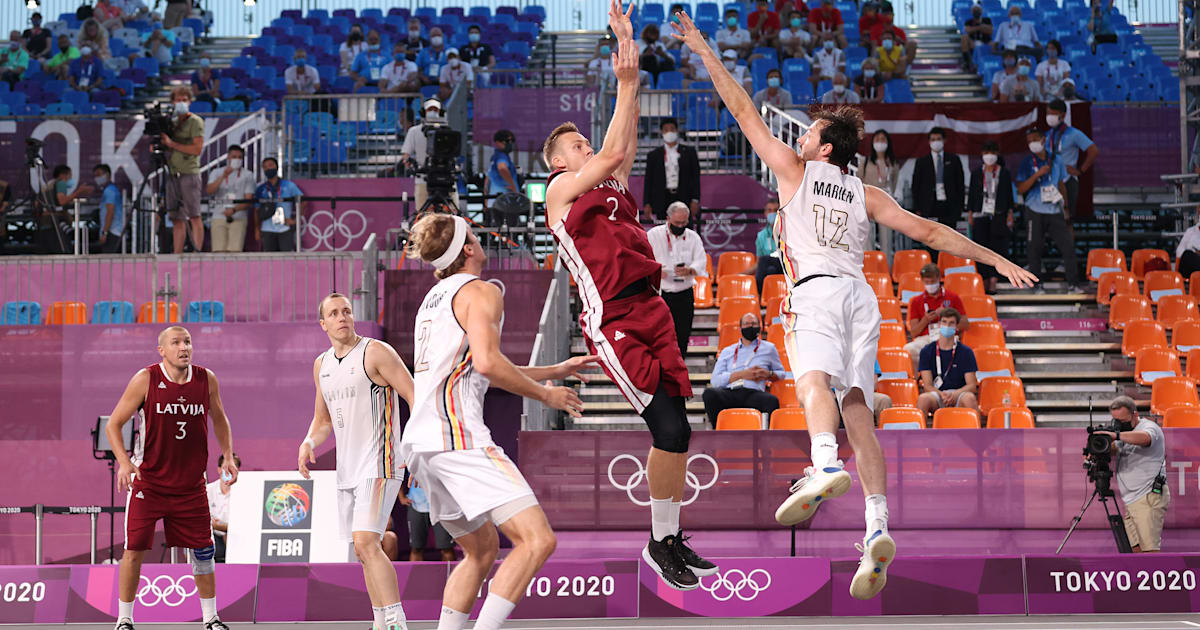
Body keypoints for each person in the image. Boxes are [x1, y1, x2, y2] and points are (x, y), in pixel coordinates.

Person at [671, 8, 1037, 600]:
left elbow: (741, 107)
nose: (800, 135)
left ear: (822, 146)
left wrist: (704, 49)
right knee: (859, 410)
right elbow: (932, 233)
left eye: (809, 130)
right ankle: (877, 526)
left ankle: (822, 462)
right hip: (864, 299)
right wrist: (994, 259)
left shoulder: (793, 170)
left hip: (814, 289)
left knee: (811, 382)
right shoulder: (866, 192)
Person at [544, 4, 717, 592]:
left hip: (653, 305)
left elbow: (622, 139)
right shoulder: (561, 191)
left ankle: (666, 539)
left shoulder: (608, 177)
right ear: (559, 162)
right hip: (613, 316)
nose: (585, 144)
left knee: (680, 431)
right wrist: (623, 81)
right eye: (575, 143)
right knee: (666, 426)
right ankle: (654, 543)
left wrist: (631, 69)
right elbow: (614, 151)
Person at [403, 212, 595, 630]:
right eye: (474, 235)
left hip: (422, 443)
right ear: (468, 249)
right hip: (457, 436)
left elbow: (470, 367)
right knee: (538, 540)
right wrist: (547, 395)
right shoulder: (482, 291)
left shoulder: (434, 298)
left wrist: (551, 370)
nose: (480, 239)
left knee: (481, 550)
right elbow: (488, 364)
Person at [105, 325, 239, 630]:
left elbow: (219, 417)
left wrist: (228, 454)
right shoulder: (146, 379)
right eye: (176, 343)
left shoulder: (207, 379)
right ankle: (124, 619)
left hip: (191, 487)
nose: (184, 348)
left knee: (204, 552)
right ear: (162, 350)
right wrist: (124, 462)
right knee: (134, 550)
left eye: (188, 342)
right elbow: (114, 424)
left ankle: (211, 618)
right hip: (149, 484)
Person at [297, 293, 415, 630]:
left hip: (381, 461)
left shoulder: (376, 352)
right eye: (333, 313)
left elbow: (414, 395)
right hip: (348, 469)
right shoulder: (322, 364)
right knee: (363, 550)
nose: (342, 317)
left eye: (346, 311)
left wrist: (417, 450)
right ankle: (381, 621)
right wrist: (308, 442)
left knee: (366, 542)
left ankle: (395, 621)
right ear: (323, 324)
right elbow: (322, 421)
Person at [1100, 396, 1169, 553]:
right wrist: (1098, 444)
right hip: (1131, 500)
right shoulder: (1123, 432)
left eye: (1123, 420)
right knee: (1135, 549)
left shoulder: (1149, 427)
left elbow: (1146, 439)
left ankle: (1153, 578)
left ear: (1135, 414)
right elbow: (1113, 450)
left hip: (1148, 496)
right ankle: (1139, 578)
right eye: (1116, 420)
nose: (1120, 424)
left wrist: (1116, 435)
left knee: (1149, 550)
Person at [1019, 127, 1080, 293]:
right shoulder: (1026, 162)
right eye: (1029, 141)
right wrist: (1037, 174)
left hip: (1055, 210)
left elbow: (1061, 184)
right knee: (1034, 248)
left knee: (1068, 246)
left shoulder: (1057, 160)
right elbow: (1021, 189)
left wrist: (1066, 208)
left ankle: (1073, 284)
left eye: (1035, 140)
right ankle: (1036, 285)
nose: (1032, 143)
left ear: (1043, 140)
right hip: (1034, 210)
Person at [702, 312, 786, 428]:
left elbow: (781, 373)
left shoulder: (769, 348)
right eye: (747, 324)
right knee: (709, 394)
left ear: (760, 326)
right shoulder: (728, 351)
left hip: (753, 393)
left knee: (771, 401)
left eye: (754, 323)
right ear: (741, 327)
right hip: (730, 392)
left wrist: (768, 374)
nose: (751, 326)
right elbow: (715, 381)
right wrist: (742, 374)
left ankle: (767, 438)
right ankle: (719, 430)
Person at [647, 202, 708, 358]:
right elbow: (643, 259)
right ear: (668, 218)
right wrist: (655, 269)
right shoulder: (654, 235)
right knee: (660, 335)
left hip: (684, 293)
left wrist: (690, 269)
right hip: (661, 293)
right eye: (677, 223)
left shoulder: (693, 237)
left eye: (684, 223)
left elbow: (701, 261)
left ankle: (679, 369)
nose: (680, 226)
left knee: (682, 335)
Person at [967, 141, 1015, 293]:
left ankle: (994, 280)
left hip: (998, 215)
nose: (990, 156)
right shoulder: (976, 173)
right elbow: (972, 194)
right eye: (987, 153)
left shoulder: (1004, 172)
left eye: (992, 153)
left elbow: (1009, 195)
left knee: (998, 248)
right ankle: (984, 280)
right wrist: (970, 213)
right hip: (980, 215)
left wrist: (1010, 213)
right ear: (982, 154)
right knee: (981, 249)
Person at [162, 86, 205, 254]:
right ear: (172, 102)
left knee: (194, 215)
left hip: (189, 173)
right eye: (177, 100)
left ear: (190, 101)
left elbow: (197, 149)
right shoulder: (171, 123)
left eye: (184, 100)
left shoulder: (195, 121)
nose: (180, 103)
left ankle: (197, 252)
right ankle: (177, 254)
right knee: (176, 218)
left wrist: (172, 144)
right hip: (173, 173)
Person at [916, 308, 979, 419]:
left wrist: (955, 394)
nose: (947, 325)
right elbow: (927, 385)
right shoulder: (927, 351)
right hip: (938, 394)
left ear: (957, 327)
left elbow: (971, 385)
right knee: (923, 399)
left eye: (951, 323)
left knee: (970, 398)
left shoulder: (966, 352)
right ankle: (920, 435)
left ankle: (977, 435)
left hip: (959, 393)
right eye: (944, 322)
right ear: (939, 324)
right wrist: (941, 394)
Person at [904, 263, 968, 373]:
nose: (930, 285)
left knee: (953, 349)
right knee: (908, 349)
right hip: (925, 338)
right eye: (927, 282)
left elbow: (965, 324)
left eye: (932, 282)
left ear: (939, 279)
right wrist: (926, 319)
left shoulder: (953, 297)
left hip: (948, 335)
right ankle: (916, 383)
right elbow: (913, 333)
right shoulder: (916, 301)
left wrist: (947, 315)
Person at [399, 99, 460, 211]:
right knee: (423, 218)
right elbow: (406, 155)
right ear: (424, 112)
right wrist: (410, 164)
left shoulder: (448, 131)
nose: (433, 111)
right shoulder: (414, 131)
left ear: (440, 112)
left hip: (447, 179)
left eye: (435, 109)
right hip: (424, 180)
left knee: (453, 216)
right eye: (430, 109)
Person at [1045, 99, 1098, 218]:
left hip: (1067, 180)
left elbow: (1094, 151)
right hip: (1050, 180)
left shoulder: (1073, 133)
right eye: (1048, 114)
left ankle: (1068, 236)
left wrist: (1080, 170)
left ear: (1063, 115)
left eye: (1053, 114)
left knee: (1066, 219)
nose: (1049, 117)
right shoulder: (1048, 134)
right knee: (1049, 219)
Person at [643, 118, 701, 221]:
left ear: (677, 131)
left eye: (672, 129)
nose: (669, 132)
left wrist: (695, 200)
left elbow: (695, 178)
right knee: (663, 231)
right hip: (662, 198)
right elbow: (648, 181)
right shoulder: (653, 155)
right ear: (662, 132)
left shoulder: (689, 153)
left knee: (684, 227)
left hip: (684, 197)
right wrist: (647, 203)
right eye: (666, 130)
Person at [205, 144, 255, 253]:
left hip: (238, 217)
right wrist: (223, 176)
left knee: (235, 253)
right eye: (234, 157)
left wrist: (234, 210)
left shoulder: (248, 174)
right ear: (228, 158)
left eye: (239, 157)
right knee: (218, 251)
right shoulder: (216, 172)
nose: (237, 159)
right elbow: (209, 191)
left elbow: (249, 199)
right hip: (219, 215)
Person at [912, 127, 965, 228]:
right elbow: (916, 186)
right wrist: (917, 208)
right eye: (933, 139)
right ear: (929, 142)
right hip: (929, 206)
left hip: (949, 206)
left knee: (949, 237)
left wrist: (959, 207)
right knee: (931, 238)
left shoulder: (954, 160)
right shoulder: (922, 162)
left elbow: (960, 185)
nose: (936, 142)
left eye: (938, 139)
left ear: (944, 140)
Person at [397, 475, 456, 562]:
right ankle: (416, 576)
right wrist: (401, 496)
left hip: (441, 505)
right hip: (416, 503)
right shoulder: (410, 460)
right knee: (416, 548)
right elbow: (397, 472)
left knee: (447, 548)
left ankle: (452, 576)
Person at [858, 130, 898, 252]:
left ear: (888, 143)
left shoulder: (893, 163)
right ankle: (870, 268)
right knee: (867, 239)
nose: (880, 142)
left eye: (883, 139)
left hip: (886, 204)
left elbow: (894, 183)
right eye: (877, 139)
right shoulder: (865, 162)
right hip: (868, 203)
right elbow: (859, 181)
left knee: (886, 239)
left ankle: (887, 268)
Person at [254, 157, 302, 252]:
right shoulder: (261, 189)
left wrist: (296, 218)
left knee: (287, 259)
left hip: (284, 228)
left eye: (270, 165)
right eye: (265, 167)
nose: (268, 168)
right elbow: (256, 210)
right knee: (269, 260)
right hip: (267, 229)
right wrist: (257, 229)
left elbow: (303, 201)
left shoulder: (288, 185)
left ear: (277, 167)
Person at [206, 452, 240, 563]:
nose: (230, 471)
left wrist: (228, 528)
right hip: (213, 532)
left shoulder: (243, 490)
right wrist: (213, 525)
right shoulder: (208, 490)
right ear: (219, 470)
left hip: (235, 533)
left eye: (233, 468)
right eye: (226, 467)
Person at [485, 129, 519, 226]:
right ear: (498, 142)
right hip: (505, 203)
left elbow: (487, 180)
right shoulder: (501, 156)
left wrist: (486, 201)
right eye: (507, 141)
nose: (510, 144)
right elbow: (502, 168)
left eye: (512, 141)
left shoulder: (494, 157)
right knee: (510, 234)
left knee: (494, 234)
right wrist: (513, 187)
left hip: (494, 202)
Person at [93, 163, 124, 253]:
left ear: (107, 175)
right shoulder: (110, 190)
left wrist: (105, 232)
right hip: (113, 232)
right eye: (95, 176)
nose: (96, 178)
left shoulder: (109, 191)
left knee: (110, 261)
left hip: (112, 233)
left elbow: (110, 212)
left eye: (99, 175)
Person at [755, 199, 784, 291]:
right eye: (770, 210)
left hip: (785, 266)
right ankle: (766, 297)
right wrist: (741, 274)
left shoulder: (788, 232)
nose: (773, 213)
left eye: (776, 210)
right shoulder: (761, 236)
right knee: (770, 269)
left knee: (765, 260)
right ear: (765, 213)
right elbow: (758, 264)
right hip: (771, 270)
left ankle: (759, 293)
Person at [960, 3, 993, 71]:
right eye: (974, 10)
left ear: (981, 11)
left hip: (985, 42)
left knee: (994, 44)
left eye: (977, 10)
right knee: (964, 38)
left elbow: (990, 31)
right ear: (972, 12)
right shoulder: (968, 21)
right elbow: (967, 30)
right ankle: (967, 62)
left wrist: (975, 28)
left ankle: (989, 63)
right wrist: (981, 27)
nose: (976, 11)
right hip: (973, 43)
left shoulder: (987, 20)